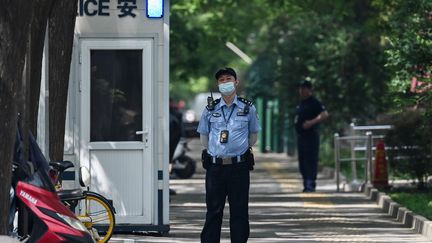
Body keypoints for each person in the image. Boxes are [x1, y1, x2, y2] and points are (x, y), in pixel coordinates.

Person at [197, 67, 261, 243]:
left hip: (239, 167)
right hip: (215, 167)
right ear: (218, 84)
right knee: (213, 211)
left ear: (236, 82)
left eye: (228, 79)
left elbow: (253, 137)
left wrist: (236, 149)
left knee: (239, 211)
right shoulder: (210, 109)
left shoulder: (248, 108)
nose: (225, 82)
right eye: (222, 80)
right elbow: (204, 138)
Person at [294, 80, 328, 193]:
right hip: (301, 137)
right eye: (300, 88)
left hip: (311, 137)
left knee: (310, 161)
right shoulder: (301, 103)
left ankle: (310, 184)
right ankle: (306, 183)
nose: (301, 90)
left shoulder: (314, 102)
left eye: (304, 88)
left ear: (309, 90)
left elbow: (324, 114)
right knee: (302, 161)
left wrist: (311, 122)